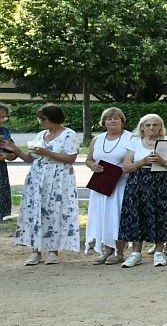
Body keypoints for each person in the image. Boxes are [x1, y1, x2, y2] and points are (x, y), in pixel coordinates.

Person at [14, 104, 80, 265]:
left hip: (58, 177)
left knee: (54, 210)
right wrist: (14, 149)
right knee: (35, 211)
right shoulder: (41, 134)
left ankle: (53, 250)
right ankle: (35, 250)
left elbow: (71, 159)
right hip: (37, 177)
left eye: (43, 119)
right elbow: (30, 158)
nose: (41, 122)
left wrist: (47, 152)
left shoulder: (68, 134)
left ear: (54, 118)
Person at [118, 113, 167, 267]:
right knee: (137, 213)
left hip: (162, 180)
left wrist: (162, 161)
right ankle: (136, 253)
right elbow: (126, 167)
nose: (151, 128)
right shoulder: (134, 142)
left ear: (160, 127)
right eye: (148, 125)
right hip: (139, 181)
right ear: (142, 127)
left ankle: (159, 251)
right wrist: (143, 161)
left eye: (155, 125)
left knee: (161, 213)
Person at [86, 107, 137, 264]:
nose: (113, 121)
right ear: (104, 122)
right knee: (102, 216)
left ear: (122, 121)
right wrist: (92, 166)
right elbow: (88, 159)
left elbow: (134, 160)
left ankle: (119, 252)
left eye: (116, 118)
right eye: (109, 118)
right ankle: (107, 249)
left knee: (117, 216)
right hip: (101, 184)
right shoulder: (97, 139)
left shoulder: (131, 138)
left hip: (120, 183)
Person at [0, 103, 17, 222]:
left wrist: (7, 155)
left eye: (3, 117)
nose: (1, 120)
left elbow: (14, 154)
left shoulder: (5, 131)